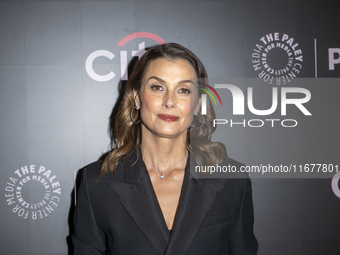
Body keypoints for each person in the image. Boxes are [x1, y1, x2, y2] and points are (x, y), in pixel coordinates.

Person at [72, 43, 258, 255]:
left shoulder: (233, 180)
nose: (169, 101)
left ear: (197, 104)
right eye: (157, 87)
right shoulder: (96, 181)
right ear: (136, 96)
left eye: (184, 90)